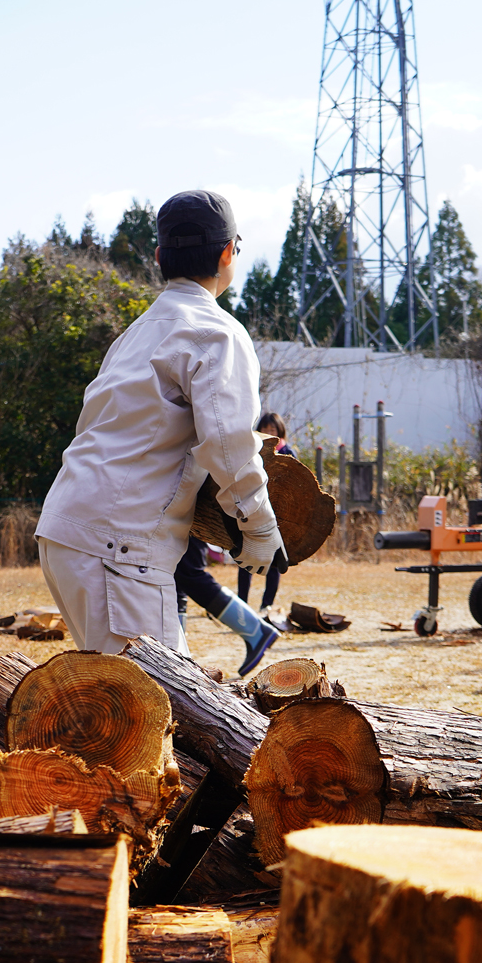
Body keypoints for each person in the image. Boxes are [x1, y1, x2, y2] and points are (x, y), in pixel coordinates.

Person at [36, 190, 282, 654]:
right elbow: (228, 443)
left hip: (67, 529)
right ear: (229, 252)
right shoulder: (216, 331)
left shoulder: (137, 332)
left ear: (157, 256)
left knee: (118, 706)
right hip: (118, 548)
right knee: (162, 708)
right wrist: (259, 528)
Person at [176, 536, 278, 675]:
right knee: (176, 577)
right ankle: (176, 652)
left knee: (188, 573)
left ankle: (256, 630)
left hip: (180, 518)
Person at [236, 411, 293, 614]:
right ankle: (242, 603)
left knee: (275, 560)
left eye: (273, 429)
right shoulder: (252, 451)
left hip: (278, 513)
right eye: (266, 429)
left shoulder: (287, 451)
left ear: (280, 431)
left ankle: (266, 605)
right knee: (245, 556)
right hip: (254, 509)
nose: (269, 433)